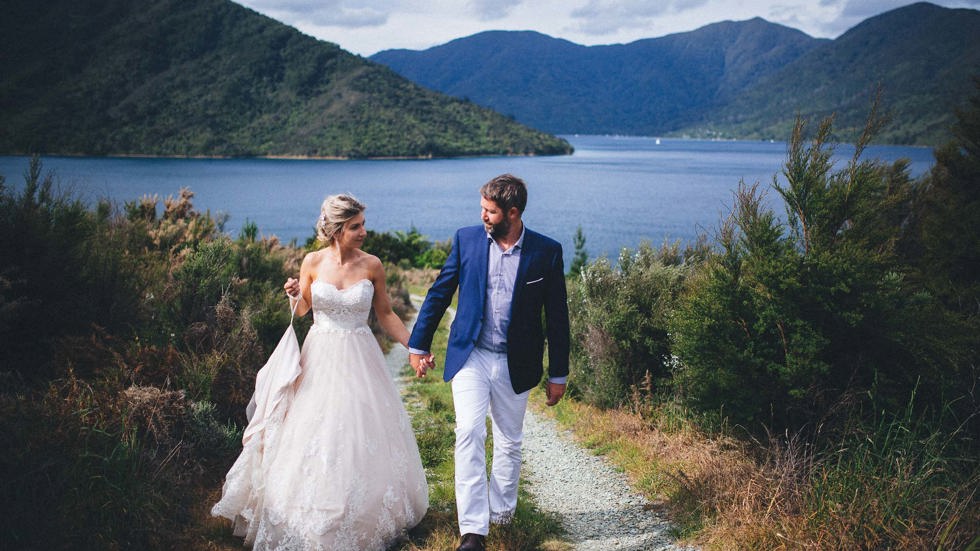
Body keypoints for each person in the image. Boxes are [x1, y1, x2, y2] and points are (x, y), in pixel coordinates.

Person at [212, 194, 428, 550]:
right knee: (313, 431)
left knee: (358, 431)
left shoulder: (372, 265)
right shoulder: (312, 262)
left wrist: (414, 347)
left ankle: (360, 510)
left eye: (362, 225)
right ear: (336, 229)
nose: (363, 232)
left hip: (360, 356)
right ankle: (305, 511)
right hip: (318, 356)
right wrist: (294, 294)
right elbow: (302, 312)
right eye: (356, 227)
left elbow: (386, 314)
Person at [408, 174, 570, 551]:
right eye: (481, 208)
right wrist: (419, 345)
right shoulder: (466, 240)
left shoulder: (546, 252)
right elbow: (438, 292)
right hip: (472, 356)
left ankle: (501, 513)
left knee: (509, 441)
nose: (482, 215)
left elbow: (557, 317)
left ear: (512, 213)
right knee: (468, 432)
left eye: (490, 211)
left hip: (517, 362)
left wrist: (558, 373)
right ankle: (473, 530)